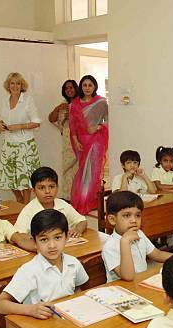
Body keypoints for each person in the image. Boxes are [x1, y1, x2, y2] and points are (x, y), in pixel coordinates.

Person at [0, 209, 89, 319]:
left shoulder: (73, 263)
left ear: (66, 237)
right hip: (40, 326)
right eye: (44, 239)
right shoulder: (29, 271)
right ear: (34, 242)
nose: (52, 245)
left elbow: (78, 289)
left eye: (57, 237)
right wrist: (31, 309)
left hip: (67, 320)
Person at [102, 191, 172, 282]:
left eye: (138, 215)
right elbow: (128, 276)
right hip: (123, 290)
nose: (134, 220)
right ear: (112, 220)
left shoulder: (139, 233)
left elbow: (156, 254)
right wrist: (125, 242)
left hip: (141, 282)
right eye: (127, 215)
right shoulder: (110, 247)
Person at [0, 72, 41, 204]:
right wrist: (0, 125)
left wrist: (19, 126)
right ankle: (19, 198)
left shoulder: (28, 100)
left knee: (25, 177)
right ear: (8, 85)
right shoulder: (5, 100)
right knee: (8, 175)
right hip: (9, 143)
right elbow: (3, 119)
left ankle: (26, 205)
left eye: (18, 83)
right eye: (12, 83)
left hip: (25, 144)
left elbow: (36, 122)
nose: (15, 86)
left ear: (22, 85)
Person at [68, 75, 109, 214]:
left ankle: (89, 201)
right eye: (84, 85)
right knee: (83, 171)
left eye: (90, 85)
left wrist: (97, 127)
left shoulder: (101, 102)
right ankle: (82, 200)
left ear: (95, 87)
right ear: (81, 87)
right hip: (81, 141)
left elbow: (108, 122)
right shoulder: (75, 104)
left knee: (92, 173)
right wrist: (76, 141)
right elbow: (72, 125)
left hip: (96, 141)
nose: (87, 88)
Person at [13, 167, 87, 238]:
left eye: (51, 187)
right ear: (34, 191)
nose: (47, 191)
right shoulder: (29, 210)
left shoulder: (62, 204)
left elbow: (82, 221)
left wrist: (77, 230)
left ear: (57, 187)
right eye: (42, 188)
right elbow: (18, 234)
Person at [48, 80, 79, 200]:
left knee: (78, 169)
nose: (69, 90)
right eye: (66, 88)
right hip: (67, 139)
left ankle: (78, 197)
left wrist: (70, 115)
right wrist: (58, 108)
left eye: (71, 87)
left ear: (76, 88)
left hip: (79, 140)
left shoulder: (81, 103)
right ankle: (68, 196)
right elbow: (51, 118)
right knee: (67, 168)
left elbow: (85, 121)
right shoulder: (63, 104)